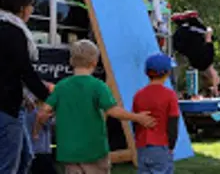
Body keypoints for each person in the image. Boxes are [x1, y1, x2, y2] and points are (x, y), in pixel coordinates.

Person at [35, 39, 155, 174]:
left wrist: (36, 131)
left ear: (71, 61)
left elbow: (43, 113)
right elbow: (113, 111)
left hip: (69, 152)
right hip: (94, 150)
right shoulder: (98, 86)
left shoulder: (61, 87)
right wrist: (137, 117)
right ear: (95, 62)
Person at [0, 0, 50, 174]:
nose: (32, 9)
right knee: (8, 166)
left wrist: (27, 96)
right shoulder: (13, 31)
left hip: (13, 104)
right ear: (21, 7)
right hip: (7, 107)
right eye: (31, 4)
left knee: (25, 157)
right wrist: (50, 98)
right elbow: (24, 71)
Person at [133, 53, 179, 174]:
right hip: (161, 145)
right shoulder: (170, 95)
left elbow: (135, 121)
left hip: (142, 145)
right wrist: (171, 145)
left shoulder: (138, 95)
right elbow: (173, 122)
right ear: (167, 73)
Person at [172, 10, 220, 95]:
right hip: (188, 42)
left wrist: (209, 30)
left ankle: (188, 20)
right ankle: (182, 21)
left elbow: (208, 38)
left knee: (205, 34)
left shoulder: (208, 60)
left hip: (193, 39)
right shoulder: (196, 65)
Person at [25, 83, 57, 174]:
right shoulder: (37, 110)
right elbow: (41, 117)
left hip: (40, 151)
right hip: (38, 151)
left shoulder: (31, 109)